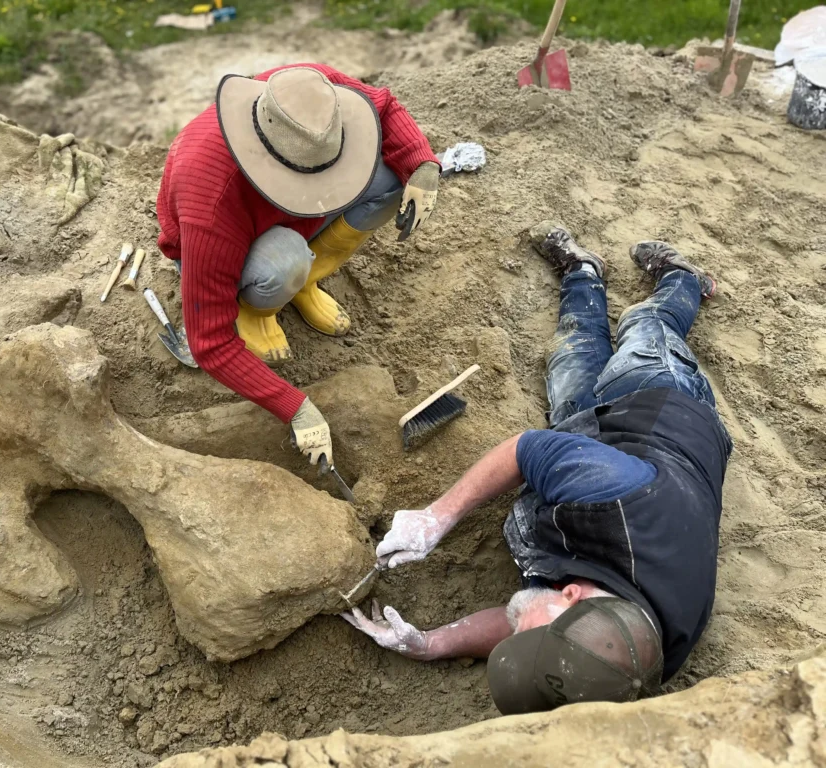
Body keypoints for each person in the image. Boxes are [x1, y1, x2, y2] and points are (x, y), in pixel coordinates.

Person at [342, 223, 733, 715]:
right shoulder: (616, 497)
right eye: (529, 635)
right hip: (662, 405)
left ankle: (585, 271)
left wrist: (430, 643)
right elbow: (525, 449)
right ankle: (684, 279)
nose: (520, 632)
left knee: (573, 354)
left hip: (608, 451)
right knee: (645, 324)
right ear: (572, 594)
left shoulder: (618, 658)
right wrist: (435, 518)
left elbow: (530, 624)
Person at [156, 64, 440, 468]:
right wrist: (295, 407)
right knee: (286, 260)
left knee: (392, 180)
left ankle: (305, 283)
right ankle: (257, 309)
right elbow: (210, 343)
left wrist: (421, 164)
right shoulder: (211, 200)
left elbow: (383, 105)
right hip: (233, 244)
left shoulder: (309, 93)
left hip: (281, 216)